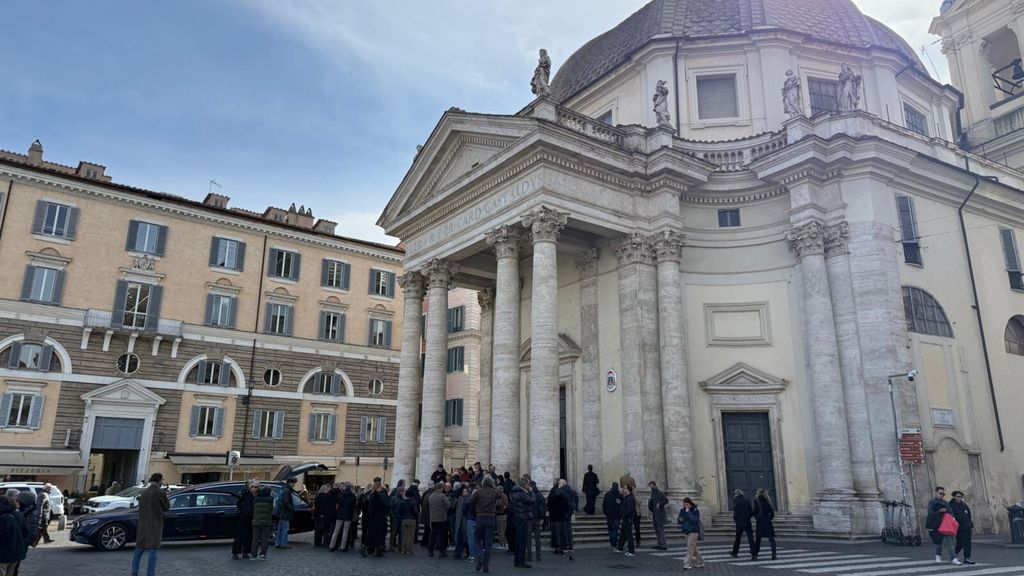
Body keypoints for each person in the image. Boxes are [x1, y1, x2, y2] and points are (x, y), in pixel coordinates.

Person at [132, 473, 169, 576]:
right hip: (155, 524)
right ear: (159, 480)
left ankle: (134, 571)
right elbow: (167, 507)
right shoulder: (160, 492)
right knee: (154, 549)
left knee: (139, 549)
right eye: (162, 480)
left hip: (143, 524)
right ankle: (150, 573)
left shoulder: (143, 493)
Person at [469, 476, 500, 573]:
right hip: (491, 517)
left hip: (480, 516)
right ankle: (486, 566)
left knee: (477, 538)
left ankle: (480, 556)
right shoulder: (495, 492)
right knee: (488, 543)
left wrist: (474, 511)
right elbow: (500, 499)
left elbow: (471, 501)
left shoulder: (478, 491)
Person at [926, 486, 959, 565]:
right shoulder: (932, 502)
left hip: (946, 525)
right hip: (937, 525)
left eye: (943, 494)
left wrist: (952, 517)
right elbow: (930, 513)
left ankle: (953, 558)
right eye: (940, 493)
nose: (942, 495)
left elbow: (950, 512)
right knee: (938, 543)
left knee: (950, 542)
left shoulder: (945, 503)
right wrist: (939, 511)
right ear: (936, 493)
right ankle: (938, 555)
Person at [0, 491, 26, 576]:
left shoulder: (2, 518)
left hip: (2, 555)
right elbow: (26, 533)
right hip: (15, 553)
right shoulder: (18, 514)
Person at [509, 477, 533, 568]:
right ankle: (521, 561)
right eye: (528, 484)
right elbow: (531, 501)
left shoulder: (515, 492)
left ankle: (517, 560)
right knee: (522, 540)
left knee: (518, 540)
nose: (529, 486)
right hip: (523, 517)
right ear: (525, 484)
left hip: (517, 517)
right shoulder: (522, 493)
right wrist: (531, 492)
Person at [364, 477, 389, 558]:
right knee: (378, 534)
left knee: (372, 533)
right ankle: (376, 550)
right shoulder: (380, 493)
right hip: (379, 516)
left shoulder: (370, 493)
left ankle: (370, 548)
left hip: (372, 516)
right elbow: (384, 504)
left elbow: (365, 502)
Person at [232, 480, 257, 559]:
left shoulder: (257, 495)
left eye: (255, 487)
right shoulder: (246, 494)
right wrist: (243, 510)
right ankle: (235, 553)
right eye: (252, 486)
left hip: (252, 517)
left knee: (249, 536)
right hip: (244, 517)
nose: (254, 488)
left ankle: (246, 552)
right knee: (240, 536)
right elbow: (238, 503)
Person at [949, 490, 975, 565]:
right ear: (954, 497)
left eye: (961, 497)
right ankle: (955, 553)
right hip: (958, 527)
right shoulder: (951, 505)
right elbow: (951, 516)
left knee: (968, 543)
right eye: (958, 497)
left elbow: (968, 514)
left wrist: (969, 523)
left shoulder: (964, 505)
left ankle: (967, 558)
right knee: (960, 543)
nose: (959, 498)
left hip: (967, 526)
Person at [678, 497, 704, 570]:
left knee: (690, 547)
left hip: (693, 531)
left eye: (686, 504)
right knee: (693, 547)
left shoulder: (695, 510)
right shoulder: (682, 510)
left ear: (690, 503)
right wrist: (680, 519)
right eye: (684, 504)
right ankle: (700, 561)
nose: (685, 505)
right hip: (686, 531)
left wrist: (688, 512)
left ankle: (687, 563)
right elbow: (679, 520)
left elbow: (695, 520)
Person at [330, 482, 356, 551]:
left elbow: (337, 504)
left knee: (336, 531)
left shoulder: (340, 494)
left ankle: (331, 546)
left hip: (340, 515)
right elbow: (353, 506)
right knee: (345, 532)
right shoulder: (353, 496)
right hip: (348, 515)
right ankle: (342, 547)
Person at [752, 488, 777, 561]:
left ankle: (755, 554)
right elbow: (772, 513)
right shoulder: (767, 501)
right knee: (771, 539)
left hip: (760, 522)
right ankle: (774, 554)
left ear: (758, 493)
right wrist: (769, 519)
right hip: (768, 522)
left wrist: (757, 517)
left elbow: (755, 511)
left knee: (758, 539)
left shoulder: (757, 501)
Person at [428, 481, 451, 557]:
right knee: (441, 535)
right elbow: (448, 505)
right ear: (440, 488)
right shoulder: (442, 496)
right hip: (441, 518)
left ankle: (430, 550)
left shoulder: (430, 496)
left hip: (433, 518)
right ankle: (442, 551)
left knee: (433, 535)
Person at [729, 489, 754, 558]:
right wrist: (748, 517)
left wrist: (736, 519)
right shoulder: (747, 500)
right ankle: (754, 553)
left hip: (739, 522)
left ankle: (735, 552)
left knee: (738, 538)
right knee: (750, 538)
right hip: (747, 522)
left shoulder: (736, 501)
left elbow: (735, 512)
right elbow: (751, 511)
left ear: (736, 494)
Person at [251, 486, 274, 560]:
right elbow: (272, 509)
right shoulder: (271, 500)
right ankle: (263, 554)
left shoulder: (256, 499)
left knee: (255, 539)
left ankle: (253, 555)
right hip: (266, 522)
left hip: (256, 522)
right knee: (264, 539)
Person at [274, 477, 296, 549]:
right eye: (293, 483)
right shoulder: (287, 491)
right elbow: (286, 502)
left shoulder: (284, 489)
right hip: (285, 513)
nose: (294, 485)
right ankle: (283, 544)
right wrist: (291, 508)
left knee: (280, 529)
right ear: (290, 483)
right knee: (285, 529)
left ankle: (278, 543)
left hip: (281, 512)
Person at [526, 481, 545, 563]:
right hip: (537, 518)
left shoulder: (528, 494)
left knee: (528, 538)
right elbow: (544, 506)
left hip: (530, 519)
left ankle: (529, 556)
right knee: (538, 538)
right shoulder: (540, 494)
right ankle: (539, 556)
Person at [615, 484, 637, 557]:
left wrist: (625, 516)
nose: (624, 490)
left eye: (625, 488)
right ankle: (620, 548)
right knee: (622, 534)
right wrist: (620, 503)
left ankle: (631, 551)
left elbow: (630, 510)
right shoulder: (627, 497)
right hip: (625, 518)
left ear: (628, 490)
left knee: (629, 535)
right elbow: (625, 506)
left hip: (628, 519)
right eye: (624, 488)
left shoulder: (630, 498)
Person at [399, 487, 420, 555]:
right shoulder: (413, 501)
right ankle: (409, 550)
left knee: (404, 535)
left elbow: (400, 510)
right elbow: (416, 511)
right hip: (411, 519)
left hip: (404, 519)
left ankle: (403, 549)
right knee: (410, 536)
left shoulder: (403, 501)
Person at [648, 480, 668, 550]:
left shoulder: (660, 493)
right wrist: (650, 508)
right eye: (650, 486)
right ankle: (659, 544)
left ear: (655, 485)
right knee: (656, 529)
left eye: (652, 485)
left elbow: (666, 500)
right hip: (654, 513)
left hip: (660, 514)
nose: (651, 487)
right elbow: (652, 503)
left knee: (660, 529)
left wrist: (660, 503)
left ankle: (663, 545)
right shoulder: (652, 494)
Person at [602, 482, 622, 550]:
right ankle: (615, 543)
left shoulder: (607, 494)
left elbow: (604, 505)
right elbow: (622, 505)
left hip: (609, 515)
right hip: (617, 515)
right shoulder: (620, 495)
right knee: (615, 529)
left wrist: (606, 512)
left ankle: (612, 544)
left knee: (611, 530)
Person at [389, 479, 406, 551]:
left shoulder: (403, 499)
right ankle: (391, 546)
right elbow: (391, 508)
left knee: (401, 533)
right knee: (393, 533)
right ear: (400, 492)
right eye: (403, 491)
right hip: (395, 518)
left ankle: (400, 546)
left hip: (401, 518)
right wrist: (393, 517)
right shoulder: (394, 498)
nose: (403, 492)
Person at [495, 486, 509, 551]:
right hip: (505, 515)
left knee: (500, 530)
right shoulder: (505, 495)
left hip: (500, 514)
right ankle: (505, 542)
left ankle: (502, 544)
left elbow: (498, 504)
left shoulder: (499, 496)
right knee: (504, 529)